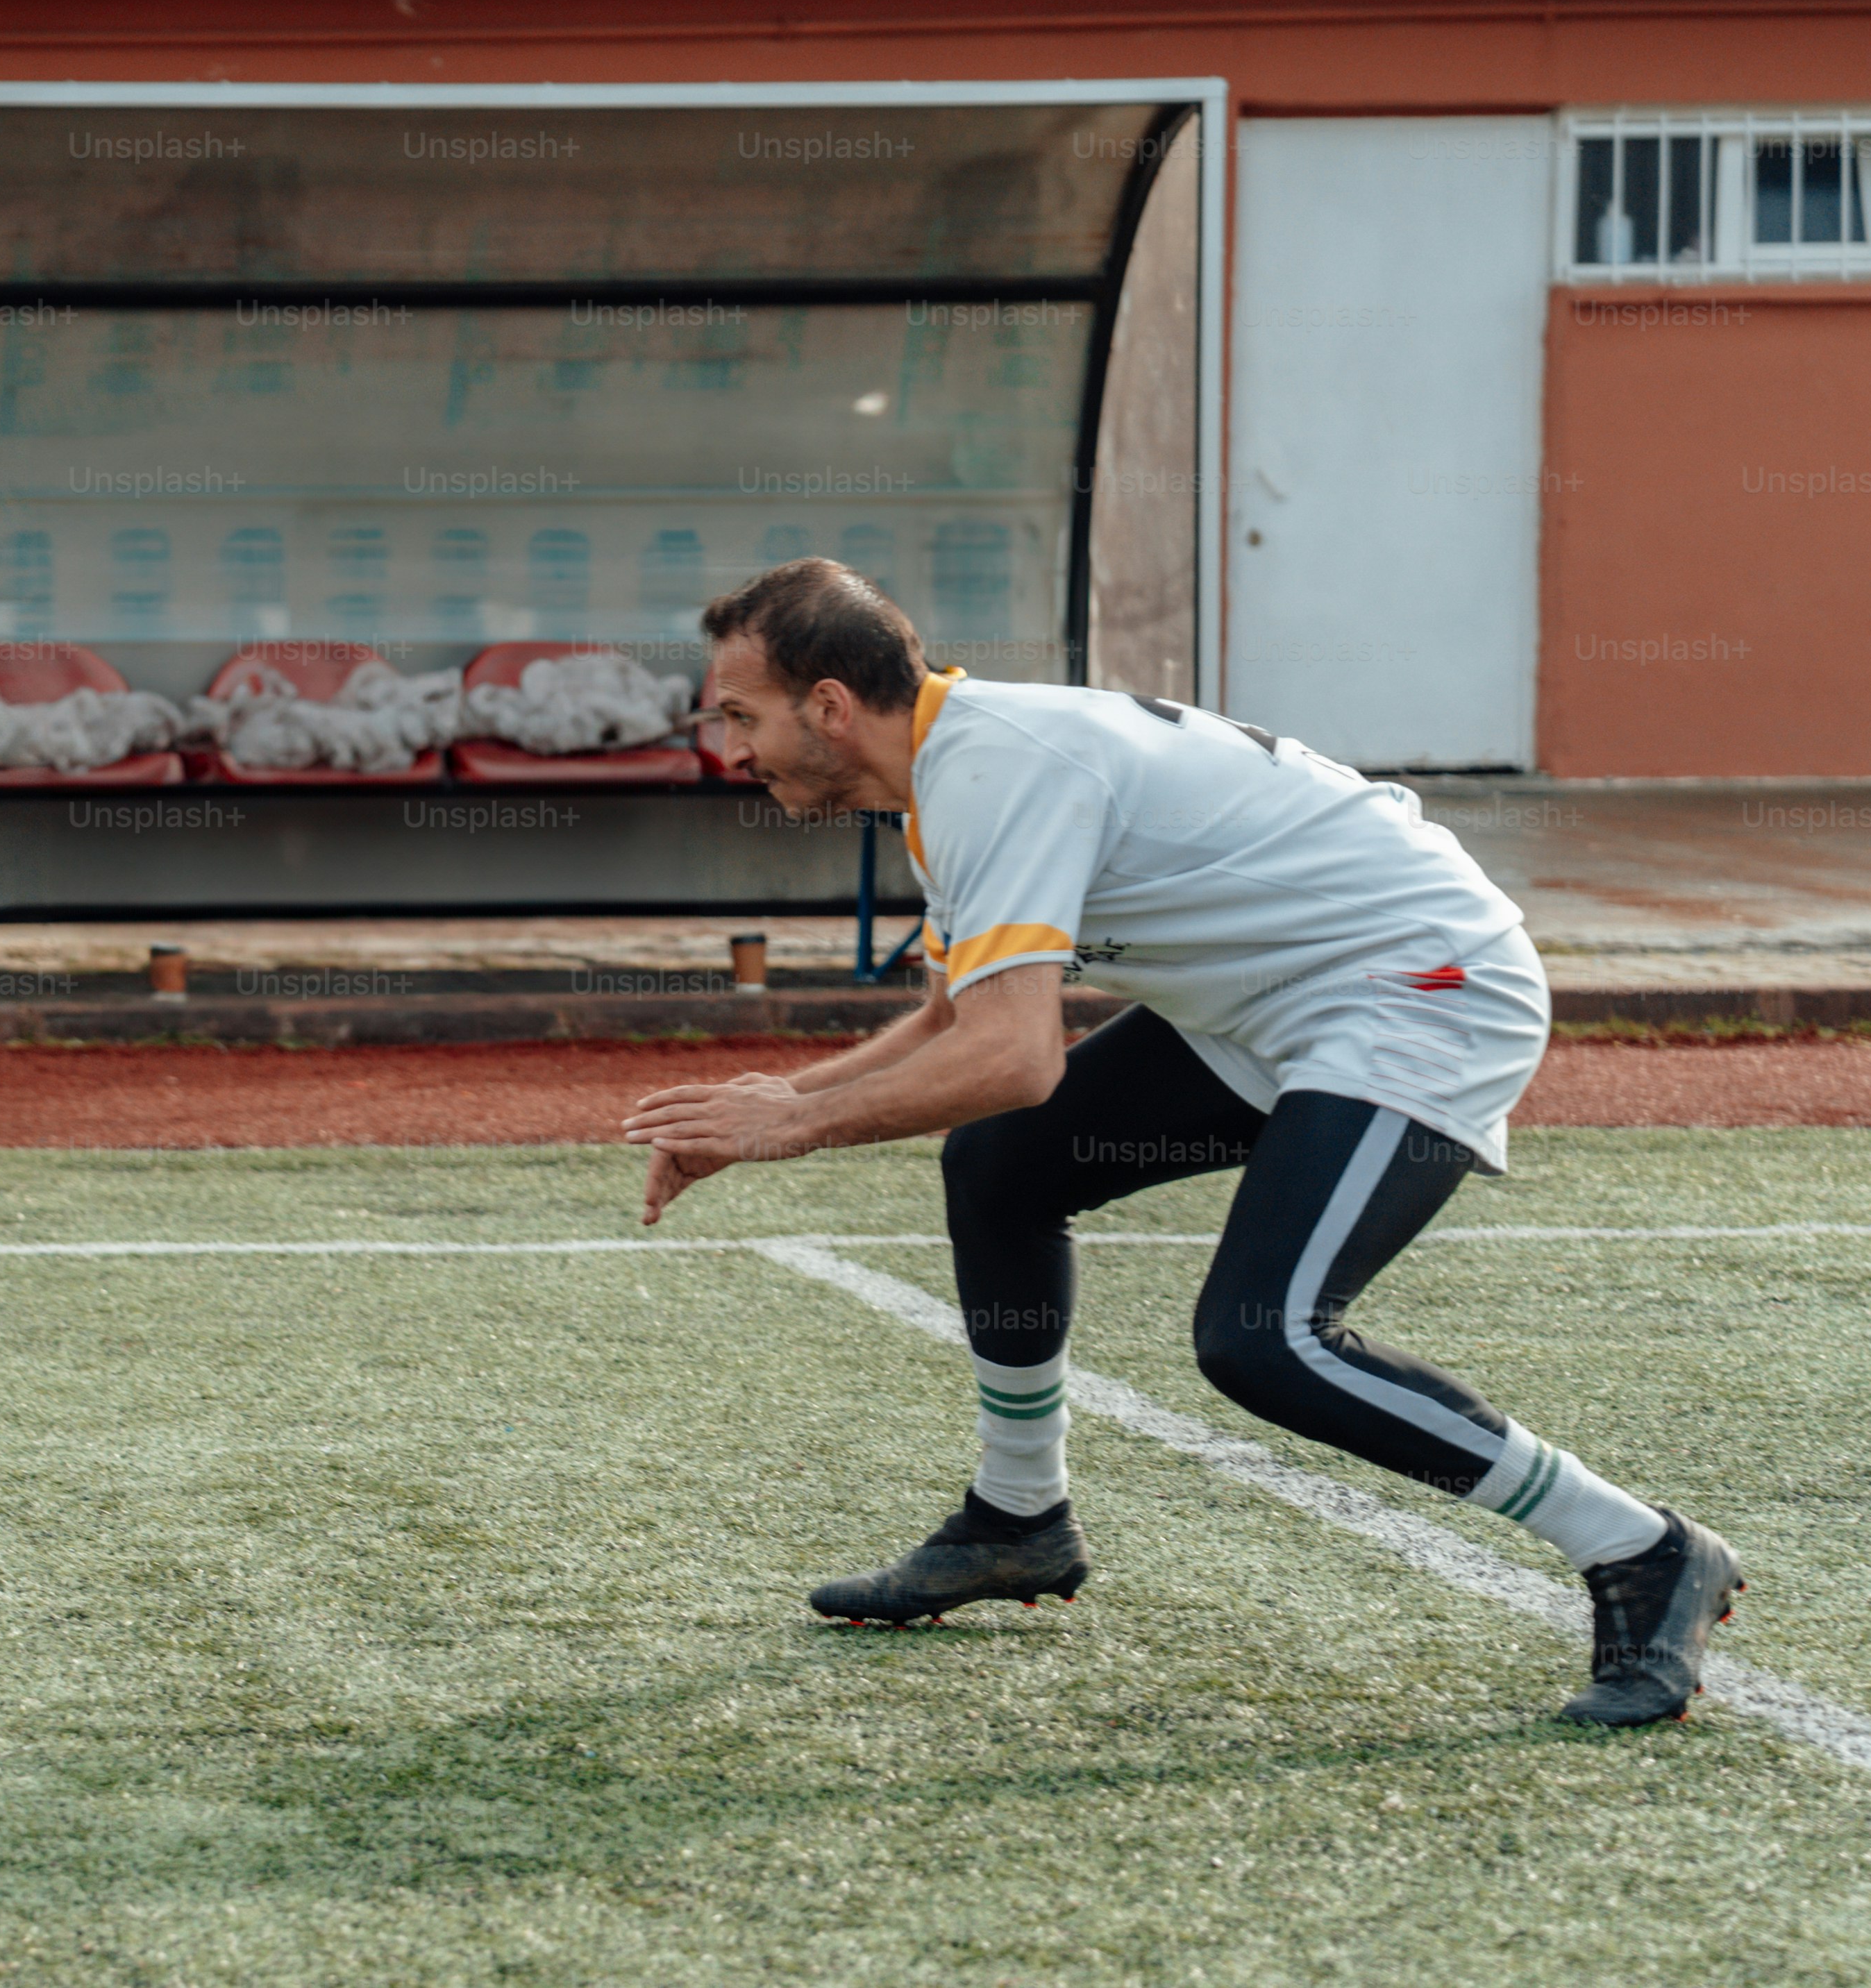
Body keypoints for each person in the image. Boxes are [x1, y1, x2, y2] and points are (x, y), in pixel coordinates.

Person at [622, 559, 1741, 1726]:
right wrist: (775, 1098)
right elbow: (959, 1019)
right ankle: (1018, 1519)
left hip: (1421, 988)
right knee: (1001, 1166)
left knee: (1265, 1341)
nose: (731, 750)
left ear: (829, 707)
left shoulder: (993, 768)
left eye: (741, 715)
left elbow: (1013, 1059)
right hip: (1278, 1001)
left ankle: (1643, 1547)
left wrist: (791, 1125)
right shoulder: (950, 769)